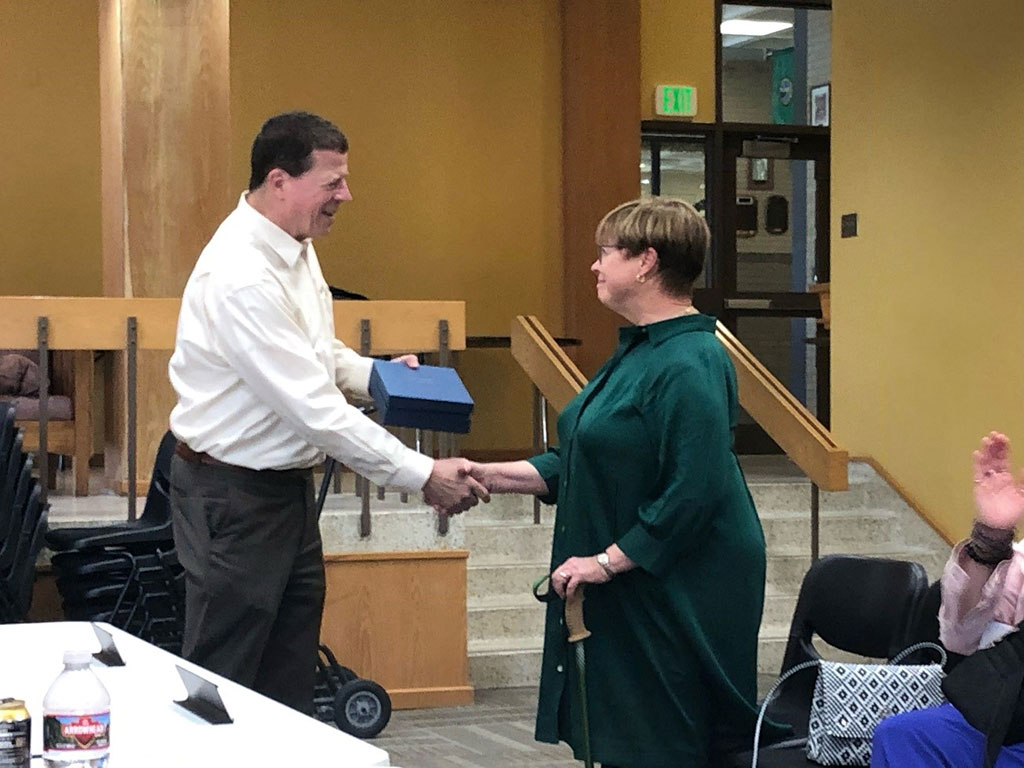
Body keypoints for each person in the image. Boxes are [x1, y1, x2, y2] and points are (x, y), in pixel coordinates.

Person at [167, 110, 488, 714]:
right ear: (281, 180)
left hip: (281, 492)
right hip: (232, 498)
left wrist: (378, 374)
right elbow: (315, 410)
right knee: (223, 682)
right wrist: (421, 476)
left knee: (287, 676)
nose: (347, 195)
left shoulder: (294, 243)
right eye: (333, 181)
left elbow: (315, 355)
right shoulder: (241, 274)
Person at [467, 198, 783, 767]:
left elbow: (694, 490)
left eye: (605, 253)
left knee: (661, 740)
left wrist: (607, 562)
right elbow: (586, 458)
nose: (595, 266)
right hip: (641, 575)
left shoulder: (689, 360)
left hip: (680, 584)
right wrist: (487, 474)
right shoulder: (641, 350)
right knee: (624, 734)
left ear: (646, 263)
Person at [871, 431, 1024, 768]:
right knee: (901, 737)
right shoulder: (1018, 562)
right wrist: (991, 539)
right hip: (1004, 718)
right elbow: (960, 636)